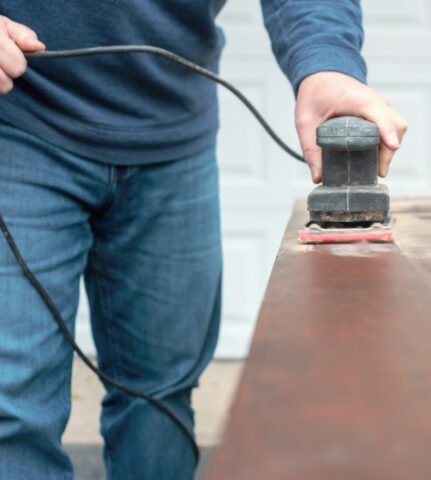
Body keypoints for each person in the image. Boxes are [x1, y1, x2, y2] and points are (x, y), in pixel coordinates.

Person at [0, 1, 407, 478]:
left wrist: (327, 64)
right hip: (22, 120)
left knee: (161, 397)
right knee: (12, 405)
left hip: (173, 130)